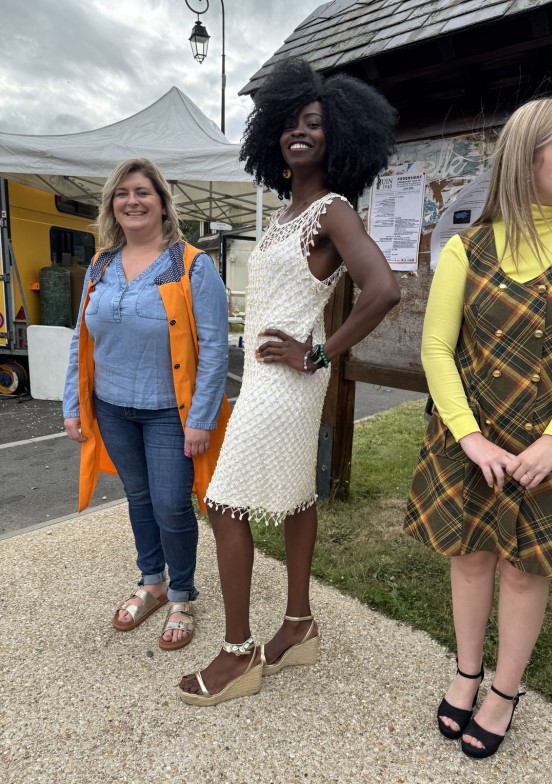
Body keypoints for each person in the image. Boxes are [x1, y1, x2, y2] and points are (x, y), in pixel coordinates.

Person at [179, 59, 400, 706]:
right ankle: (298, 623)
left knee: (224, 505)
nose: (300, 133)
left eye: (317, 125)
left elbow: (383, 289)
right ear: (272, 133)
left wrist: (320, 354)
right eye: (291, 123)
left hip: (289, 381)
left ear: (340, 140)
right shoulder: (286, 215)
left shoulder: (331, 211)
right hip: (275, 381)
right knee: (297, 497)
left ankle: (237, 653)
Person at [404, 97, 552, 758]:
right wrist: (467, 435)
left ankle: (504, 690)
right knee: (473, 556)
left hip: (551, 446)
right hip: (472, 443)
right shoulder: (466, 248)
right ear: (530, 158)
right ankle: (466, 673)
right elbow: (437, 350)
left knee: (523, 571)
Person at [63, 158, 230, 651]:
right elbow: (81, 338)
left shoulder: (192, 264)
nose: (131, 201)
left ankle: (181, 594)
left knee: (171, 504)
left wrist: (200, 418)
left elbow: (216, 349)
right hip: (111, 406)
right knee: (138, 499)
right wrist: (74, 402)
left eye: (142, 192)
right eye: (122, 193)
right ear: (112, 204)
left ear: (162, 203)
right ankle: (151, 582)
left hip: (168, 412)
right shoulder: (100, 264)